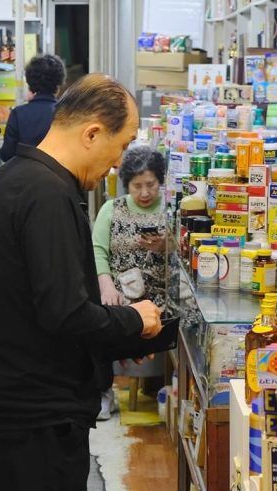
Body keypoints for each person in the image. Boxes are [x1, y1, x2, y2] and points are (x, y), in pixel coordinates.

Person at [0, 74, 164, 491]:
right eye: (122, 145)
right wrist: (132, 320)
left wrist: (123, 335)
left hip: (10, 405)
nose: (117, 162)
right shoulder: (47, 195)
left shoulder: (13, 178)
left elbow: (35, 302)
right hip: (33, 418)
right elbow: (65, 312)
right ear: (92, 133)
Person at [94, 145, 168, 420]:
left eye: (151, 184)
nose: (145, 193)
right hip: (119, 295)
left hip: (160, 295)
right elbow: (98, 250)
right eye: (137, 186)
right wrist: (106, 286)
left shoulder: (170, 211)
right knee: (100, 317)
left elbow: (182, 255)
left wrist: (164, 246)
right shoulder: (111, 209)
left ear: (161, 181)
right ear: (127, 185)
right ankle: (103, 391)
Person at [0, 53, 66, 162]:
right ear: (59, 84)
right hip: (57, 176)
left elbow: (6, 154)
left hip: (24, 176)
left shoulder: (18, 114)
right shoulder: (66, 113)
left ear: (30, 83)